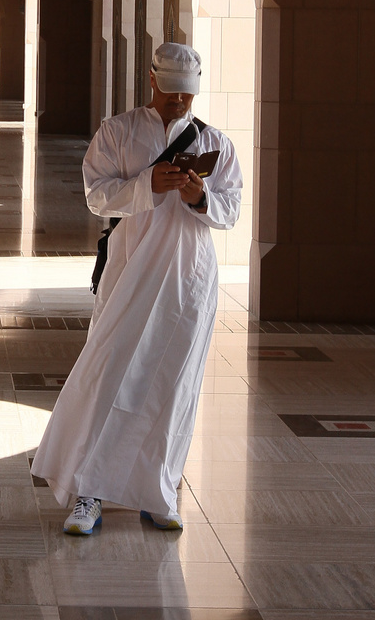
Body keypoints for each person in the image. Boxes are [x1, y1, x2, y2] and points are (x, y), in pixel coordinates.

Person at [31, 42, 242, 534]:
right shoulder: (118, 132)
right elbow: (96, 193)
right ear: (152, 81)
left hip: (188, 276)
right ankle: (89, 492)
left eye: (186, 96)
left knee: (174, 380)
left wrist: (199, 195)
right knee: (108, 373)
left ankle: (158, 490)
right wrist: (148, 184)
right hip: (129, 268)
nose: (178, 103)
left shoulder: (216, 142)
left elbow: (229, 210)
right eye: (170, 93)